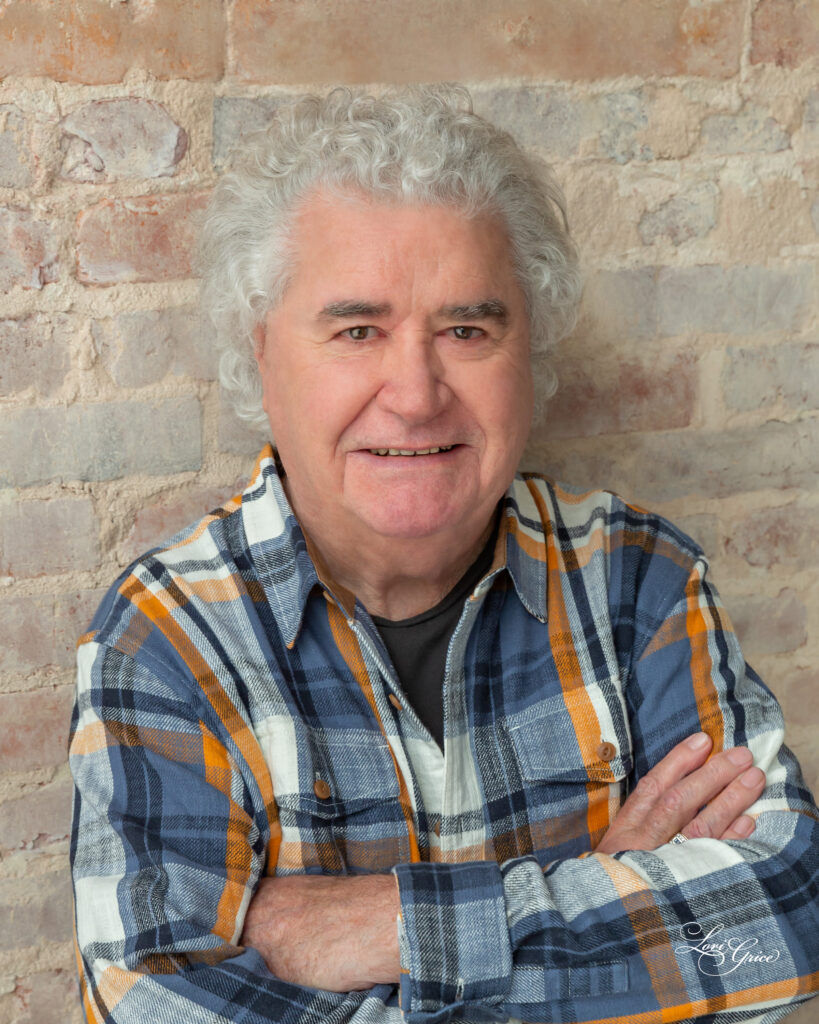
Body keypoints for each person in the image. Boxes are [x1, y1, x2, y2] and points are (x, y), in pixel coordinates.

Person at [69, 86, 819, 1024]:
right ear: (262, 355)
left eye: (466, 329)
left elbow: (781, 929)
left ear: (528, 355)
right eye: (357, 330)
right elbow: (151, 1004)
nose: (416, 395)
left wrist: (389, 927)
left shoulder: (639, 580)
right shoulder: (165, 641)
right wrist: (605, 891)